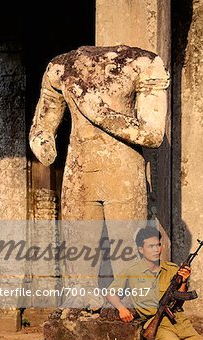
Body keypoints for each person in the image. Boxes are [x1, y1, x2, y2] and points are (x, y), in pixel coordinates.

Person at [29, 46, 169, 305]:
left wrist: (100, 112)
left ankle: (129, 305)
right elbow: (43, 122)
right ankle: (80, 307)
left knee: (127, 251)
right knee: (79, 260)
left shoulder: (143, 63)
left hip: (123, 169)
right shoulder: (61, 66)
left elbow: (152, 134)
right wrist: (43, 141)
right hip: (79, 172)